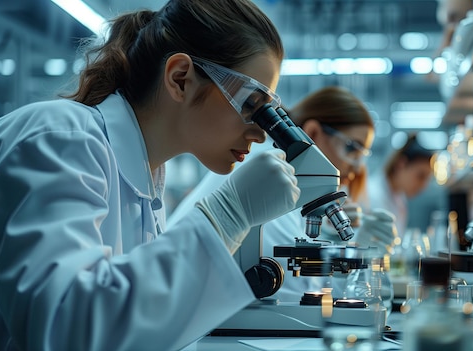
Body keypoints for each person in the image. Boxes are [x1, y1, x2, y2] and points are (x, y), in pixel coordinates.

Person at [0, 1, 301, 350]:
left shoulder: (146, 181)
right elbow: (67, 329)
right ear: (180, 79)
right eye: (251, 105)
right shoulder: (60, 137)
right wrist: (228, 216)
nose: (260, 133)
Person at [168, 86, 398, 302]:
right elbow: (297, 293)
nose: (357, 167)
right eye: (352, 148)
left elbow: (308, 286)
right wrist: (351, 258)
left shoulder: (281, 168)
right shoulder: (268, 169)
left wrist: (340, 246)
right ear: (313, 132)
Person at [368, 133, 434, 236]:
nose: (423, 185)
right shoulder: (372, 194)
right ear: (401, 164)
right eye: (420, 176)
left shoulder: (400, 198)